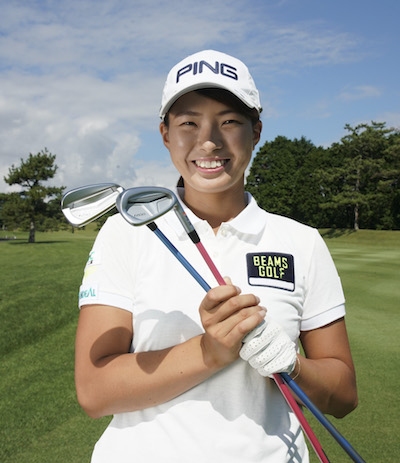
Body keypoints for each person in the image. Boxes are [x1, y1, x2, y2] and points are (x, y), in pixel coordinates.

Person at [75, 50, 358, 463]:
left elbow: (344, 395)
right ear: (165, 134)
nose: (208, 140)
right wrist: (209, 352)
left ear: (256, 131)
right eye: (189, 123)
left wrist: (293, 365)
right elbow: (93, 391)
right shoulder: (126, 232)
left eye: (229, 122)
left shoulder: (302, 242)